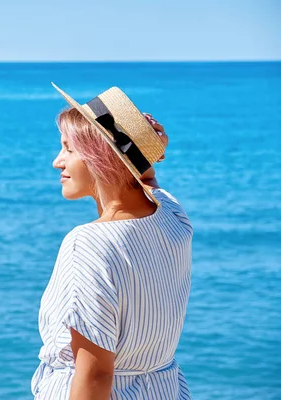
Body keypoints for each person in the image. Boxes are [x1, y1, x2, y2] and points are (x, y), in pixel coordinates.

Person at [31, 85, 193, 400]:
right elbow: (144, 182)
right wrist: (142, 150)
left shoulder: (88, 244)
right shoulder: (174, 218)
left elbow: (95, 375)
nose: (57, 161)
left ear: (98, 155)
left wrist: (144, 149)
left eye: (68, 148)